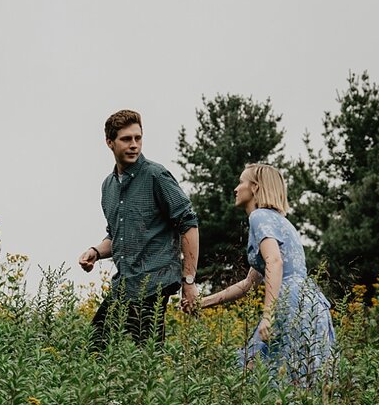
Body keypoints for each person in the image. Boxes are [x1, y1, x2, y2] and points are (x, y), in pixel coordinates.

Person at [200, 163, 335, 385]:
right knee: (296, 372)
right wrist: (202, 302)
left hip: (290, 300)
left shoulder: (259, 217)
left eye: (241, 182)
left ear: (255, 188)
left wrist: (268, 316)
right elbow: (248, 284)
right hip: (308, 299)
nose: (236, 188)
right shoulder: (280, 221)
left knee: (255, 368)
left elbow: (274, 261)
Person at [79, 109, 200, 350]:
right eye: (126, 139)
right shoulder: (108, 186)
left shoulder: (156, 175)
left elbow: (189, 225)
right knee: (95, 348)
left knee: (147, 355)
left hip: (154, 281)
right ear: (109, 143)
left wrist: (189, 281)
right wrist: (95, 251)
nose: (134, 145)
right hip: (125, 283)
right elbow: (117, 237)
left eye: (138, 138)